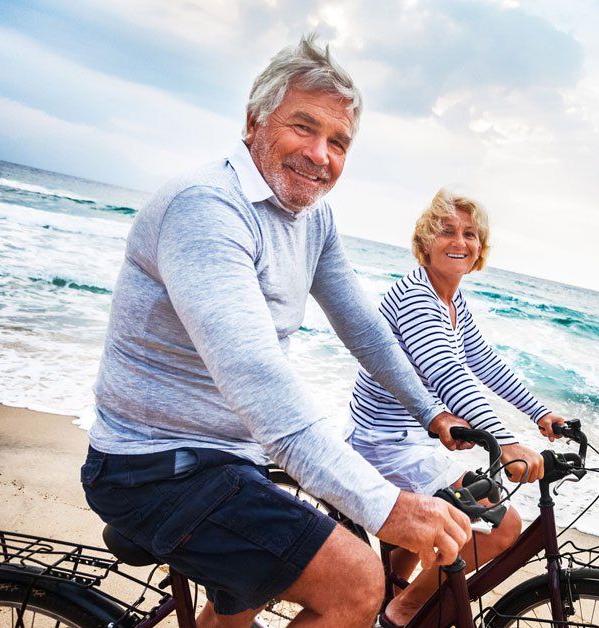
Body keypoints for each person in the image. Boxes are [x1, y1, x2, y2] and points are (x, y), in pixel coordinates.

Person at [81, 36, 474, 628]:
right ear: (253, 122)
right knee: (357, 580)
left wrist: (429, 411)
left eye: (338, 142)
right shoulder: (207, 209)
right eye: (303, 128)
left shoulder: (310, 217)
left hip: (227, 459)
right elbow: (258, 378)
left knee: (280, 570)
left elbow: (363, 328)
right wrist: (387, 505)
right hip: (154, 465)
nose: (321, 155)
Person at [348, 189, 568, 627]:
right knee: (502, 526)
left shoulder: (451, 302)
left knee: (461, 515)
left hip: (415, 441)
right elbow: (446, 370)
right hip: (385, 443)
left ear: (479, 248)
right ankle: (405, 610)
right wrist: (504, 442)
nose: (460, 241)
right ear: (426, 239)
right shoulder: (416, 297)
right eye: (447, 230)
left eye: (470, 234)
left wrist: (541, 413)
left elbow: (484, 363)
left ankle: (390, 603)